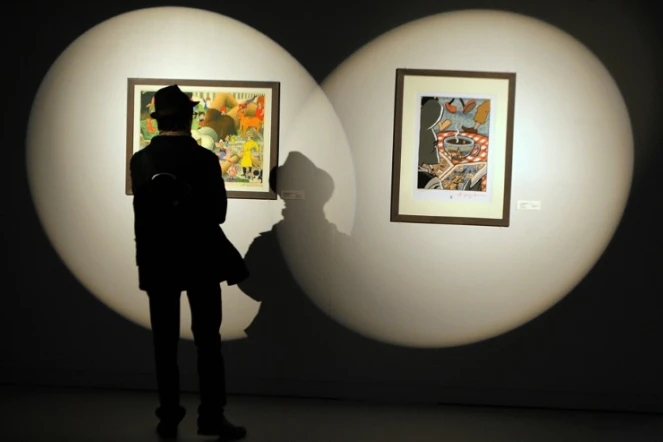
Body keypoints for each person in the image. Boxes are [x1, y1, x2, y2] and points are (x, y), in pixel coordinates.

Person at [130, 84, 248, 440]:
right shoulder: (205, 160)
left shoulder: (141, 161)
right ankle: (211, 417)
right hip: (200, 259)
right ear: (191, 117)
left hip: (158, 261)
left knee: (163, 345)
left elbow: (143, 218)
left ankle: (168, 418)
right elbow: (219, 215)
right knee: (207, 343)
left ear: (156, 121)